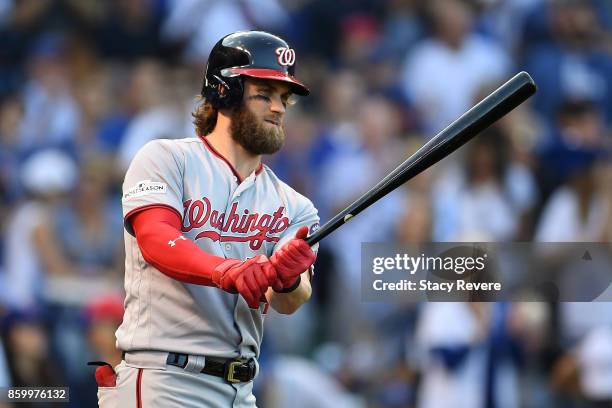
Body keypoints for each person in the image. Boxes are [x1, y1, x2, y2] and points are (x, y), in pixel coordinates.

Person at [93, 31, 320, 407]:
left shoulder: (296, 206)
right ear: (223, 93)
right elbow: (155, 240)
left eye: (283, 98)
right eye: (263, 94)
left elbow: (290, 300)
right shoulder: (165, 158)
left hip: (241, 390)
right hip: (165, 378)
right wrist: (228, 271)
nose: (279, 108)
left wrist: (290, 279)